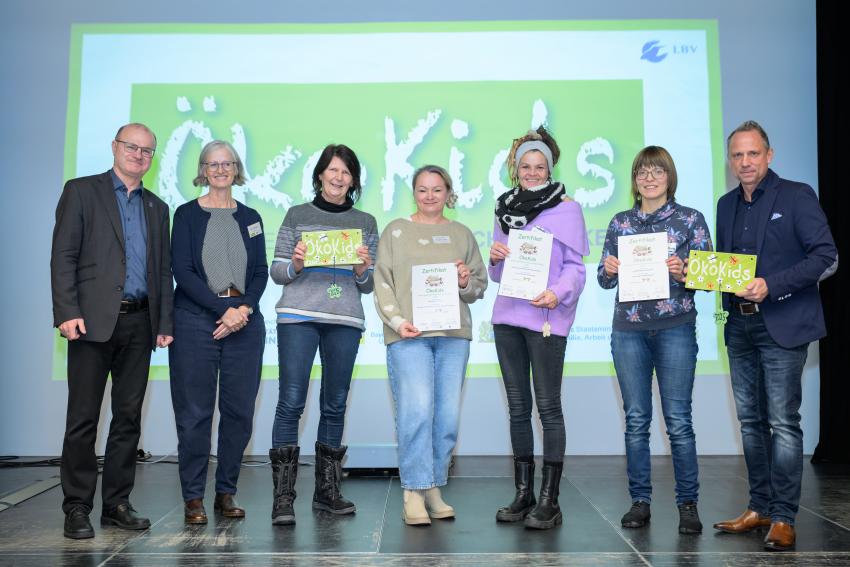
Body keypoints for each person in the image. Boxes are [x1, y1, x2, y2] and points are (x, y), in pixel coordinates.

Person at [713, 121, 838, 551]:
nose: (744, 162)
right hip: (740, 325)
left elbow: (827, 257)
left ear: (769, 154)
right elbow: (725, 267)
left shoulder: (797, 195)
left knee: (783, 422)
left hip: (784, 323)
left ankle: (784, 516)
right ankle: (759, 506)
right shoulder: (725, 205)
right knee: (750, 423)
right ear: (730, 161)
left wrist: (773, 284)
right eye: (737, 155)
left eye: (752, 154)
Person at [51, 123, 174, 539]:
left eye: (147, 151)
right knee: (83, 419)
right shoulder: (82, 191)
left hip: (140, 323)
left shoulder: (158, 207)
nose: (139, 155)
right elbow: (63, 255)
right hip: (89, 322)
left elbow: (161, 272)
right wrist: (66, 311)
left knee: (127, 419)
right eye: (132, 147)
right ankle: (77, 506)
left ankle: (116, 503)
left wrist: (164, 323)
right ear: (114, 147)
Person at [597, 146, 712, 534]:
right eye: (642, 172)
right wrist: (609, 267)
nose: (649, 178)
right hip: (628, 331)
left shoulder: (690, 219)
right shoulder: (620, 222)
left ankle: (688, 504)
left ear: (669, 177)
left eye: (657, 171)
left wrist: (685, 270)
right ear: (634, 179)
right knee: (636, 421)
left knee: (678, 420)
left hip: (675, 327)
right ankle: (640, 501)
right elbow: (603, 277)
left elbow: (709, 277)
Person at [268, 144, 378, 525]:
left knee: (335, 404)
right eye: (332, 170)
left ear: (354, 180)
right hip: (298, 317)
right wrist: (296, 263)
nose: (338, 177)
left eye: (346, 172)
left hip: (344, 319)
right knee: (291, 402)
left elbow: (368, 284)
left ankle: (326, 492)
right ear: (319, 174)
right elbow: (277, 270)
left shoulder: (365, 222)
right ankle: (283, 497)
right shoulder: (298, 214)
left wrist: (363, 269)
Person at [374, 164, 487, 525]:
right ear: (414, 193)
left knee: (447, 418)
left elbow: (478, 287)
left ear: (448, 193)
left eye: (437, 190)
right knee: (416, 412)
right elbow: (382, 284)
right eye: (422, 190)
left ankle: (434, 486)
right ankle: (413, 491)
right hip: (409, 337)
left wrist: (466, 280)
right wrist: (397, 322)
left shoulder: (462, 234)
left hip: (453, 338)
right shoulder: (395, 231)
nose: (429, 196)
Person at [489, 126, 589, 530]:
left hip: (547, 318)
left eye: (539, 165)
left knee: (548, 407)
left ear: (549, 168)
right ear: (516, 168)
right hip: (507, 318)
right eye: (525, 165)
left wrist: (557, 293)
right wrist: (494, 257)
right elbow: (498, 275)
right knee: (517, 408)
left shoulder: (568, 209)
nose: (532, 172)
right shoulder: (503, 207)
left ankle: (550, 499)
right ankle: (523, 492)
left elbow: (576, 270)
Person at [169, 140, 268, 524]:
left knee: (239, 413)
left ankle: (226, 492)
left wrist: (242, 309)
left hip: (244, 320)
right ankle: (193, 497)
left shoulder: (252, 217)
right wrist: (224, 311)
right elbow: (183, 271)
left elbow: (259, 272)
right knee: (194, 412)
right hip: (197, 319)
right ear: (203, 170)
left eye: (227, 163)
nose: (221, 169)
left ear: (236, 168)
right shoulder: (186, 215)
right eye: (213, 164)